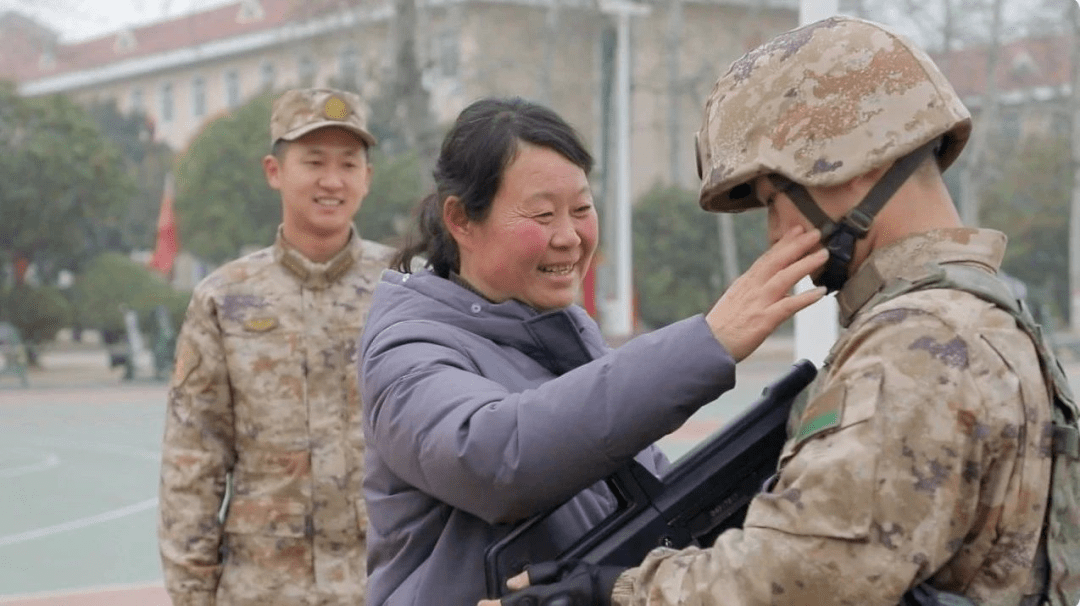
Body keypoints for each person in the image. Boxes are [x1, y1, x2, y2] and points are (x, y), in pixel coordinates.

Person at [485, 16, 1080, 606]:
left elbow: (801, 577)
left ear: (856, 164)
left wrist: (611, 591)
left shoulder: (920, 342)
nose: (775, 232)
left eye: (775, 199)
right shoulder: (989, 313)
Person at [358, 96, 828, 606]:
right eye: (542, 214)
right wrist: (706, 344)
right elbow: (496, 457)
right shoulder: (405, 349)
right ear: (461, 220)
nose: (570, 237)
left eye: (582, 209)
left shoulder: (567, 337)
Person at [158, 87, 394, 606]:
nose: (332, 181)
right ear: (274, 171)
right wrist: (192, 596)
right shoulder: (224, 299)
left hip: (385, 586)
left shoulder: (406, 290)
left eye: (348, 164)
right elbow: (193, 463)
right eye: (313, 162)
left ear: (367, 179)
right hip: (263, 590)